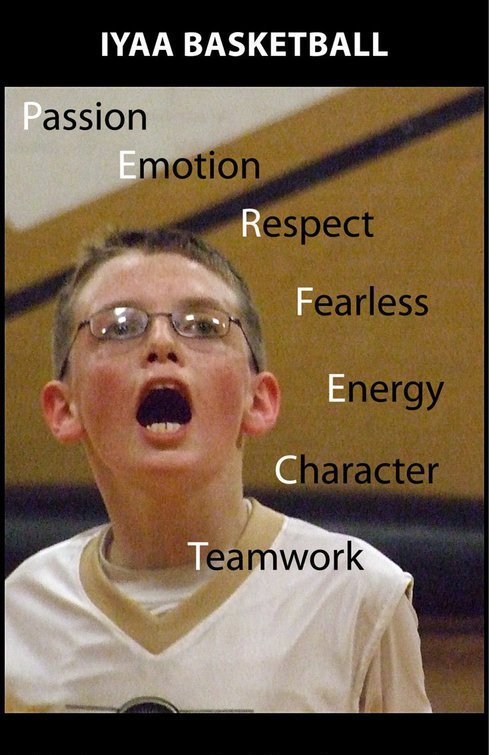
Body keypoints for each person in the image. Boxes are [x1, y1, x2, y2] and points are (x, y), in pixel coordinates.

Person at [5, 227, 431, 713]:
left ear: (260, 400)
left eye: (204, 326)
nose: (161, 342)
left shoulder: (358, 596)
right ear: (64, 409)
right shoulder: (19, 612)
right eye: (119, 326)